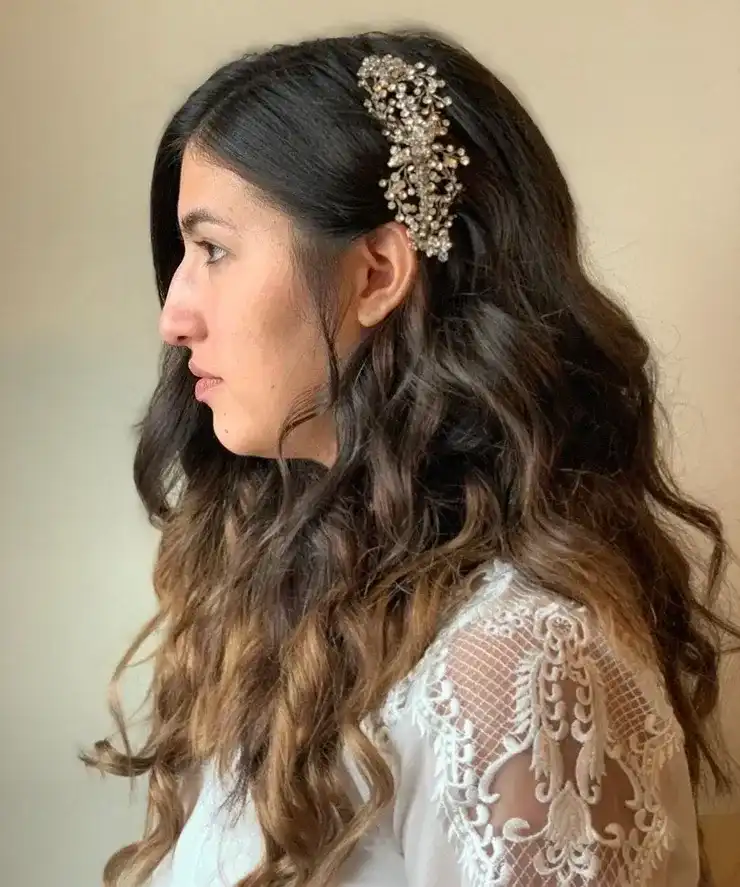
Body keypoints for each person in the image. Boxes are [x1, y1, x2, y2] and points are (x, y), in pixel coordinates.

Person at [85, 27, 738, 887]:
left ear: (376, 274)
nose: (174, 316)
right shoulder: (284, 603)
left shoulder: (522, 670)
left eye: (212, 249)